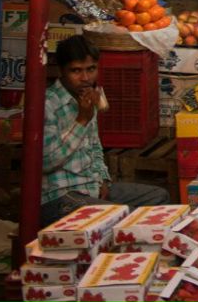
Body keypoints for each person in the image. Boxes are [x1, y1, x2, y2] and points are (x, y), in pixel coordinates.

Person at [40, 35, 169, 225]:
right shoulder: (47, 104)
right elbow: (48, 161)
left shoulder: (90, 96)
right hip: (60, 197)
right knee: (134, 218)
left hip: (90, 188)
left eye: (91, 69)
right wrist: (82, 119)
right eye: (76, 71)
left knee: (159, 198)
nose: (85, 78)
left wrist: (103, 179)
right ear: (62, 71)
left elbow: (94, 146)